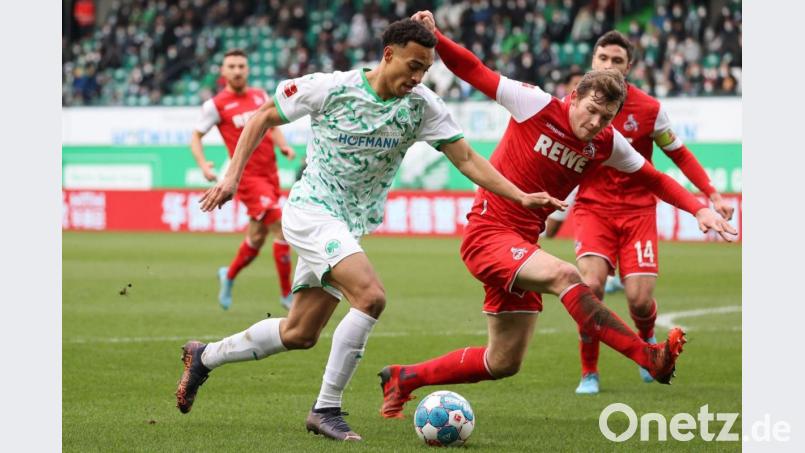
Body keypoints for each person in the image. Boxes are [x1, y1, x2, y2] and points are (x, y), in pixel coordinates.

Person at [176, 19, 565, 442]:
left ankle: (205, 356)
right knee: (371, 296)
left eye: (425, 70)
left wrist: (520, 196)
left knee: (300, 333)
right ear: (387, 55)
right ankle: (325, 409)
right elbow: (262, 117)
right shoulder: (332, 88)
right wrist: (232, 177)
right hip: (311, 211)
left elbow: (468, 159)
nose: (417, 77)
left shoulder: (422, 105)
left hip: (348, 225)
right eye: (412, 66)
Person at [377, 12, 736, 420]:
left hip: (523, 247)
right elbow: (474, 70)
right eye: (591, 111)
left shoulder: (606, 143)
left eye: (606, 118)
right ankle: (648, 356)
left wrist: (700, 208)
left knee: (504, 361)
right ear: (575, 97)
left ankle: (404, 378)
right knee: (570, 276)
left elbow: (655, 178)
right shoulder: (534, 103)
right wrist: (437, 38)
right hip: (488, 234)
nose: (595, 123)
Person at [571, 31, 735, 395]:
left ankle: (647, 343)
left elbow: (678, 154)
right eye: (603, 58)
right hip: (593, 208)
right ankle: (589, 372)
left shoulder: (649, 110)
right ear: (593, 61)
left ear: (629, 66)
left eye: (617, 60)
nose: (609, 65)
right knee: (591, 287)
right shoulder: (577, 102)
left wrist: (710, 193)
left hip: (638, 212)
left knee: (640, 300)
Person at [190, 49, 297, 311]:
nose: (237, 70)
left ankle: (228, 275)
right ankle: (287, 295)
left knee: (257, 238)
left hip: (270, 175)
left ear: (248, 70)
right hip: (247, 178)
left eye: (241, 66)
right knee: (281, 228)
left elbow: (271, 125)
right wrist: (204, 165)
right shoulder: (215, 105)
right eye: (232, 66)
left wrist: (283, 146)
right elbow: (195, 137)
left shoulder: (260, 95)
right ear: (223, 72)